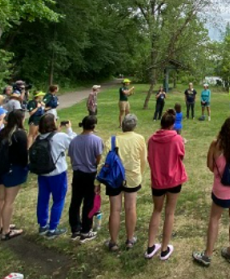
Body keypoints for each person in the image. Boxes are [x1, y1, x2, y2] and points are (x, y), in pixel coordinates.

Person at [192, 117, 230, 267]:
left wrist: (221, 172)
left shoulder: (216, 144)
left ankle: (207, 255)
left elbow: (210, 166)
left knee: (214, 218)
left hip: (222, 190)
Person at [145, 109, 188, 260]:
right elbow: (181, 156)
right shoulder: (176, 139)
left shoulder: (151, 139)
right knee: (170, 212)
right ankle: (164, 249)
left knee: (156, 211)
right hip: (174, 180)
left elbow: (149, 157)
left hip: (158, 181)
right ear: (172, 125)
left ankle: (150, 247)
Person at [104, 114, 147, 252]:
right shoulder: (139, 139)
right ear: (134, 126)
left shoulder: (111, 140)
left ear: (122, 125)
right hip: (132, 177)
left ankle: (113, 242)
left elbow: (104, 163)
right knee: (130, 207)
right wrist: (140, 172)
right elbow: (143, 159)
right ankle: (130, 239)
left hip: (114, 179)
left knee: (115, 210)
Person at [35, 114, 77, 238]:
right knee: (58, 200)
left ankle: (43, 225)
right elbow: (73, 145)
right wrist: (69, 129)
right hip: (57, 173)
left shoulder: (40, 137)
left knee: (43, 199)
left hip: (43, 173)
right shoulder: (60, 137)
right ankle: (53, 228)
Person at [0, 109, 29, 240]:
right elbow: (23, 156)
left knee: (0, 198)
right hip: (13, 169)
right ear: (20, 119)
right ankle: (6, 231)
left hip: (0, 169)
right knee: (9, 201)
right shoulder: (20, 134)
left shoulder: (2, 132)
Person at [68, 115, 103, 243]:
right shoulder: (96, 140)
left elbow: (71, 158)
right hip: (90, 174)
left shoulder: (74, 140)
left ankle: (75, 228)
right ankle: (86, 230)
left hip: (77, 174)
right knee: (89, 202)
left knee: (75, 201)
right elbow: (98, 157)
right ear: (94, 126)